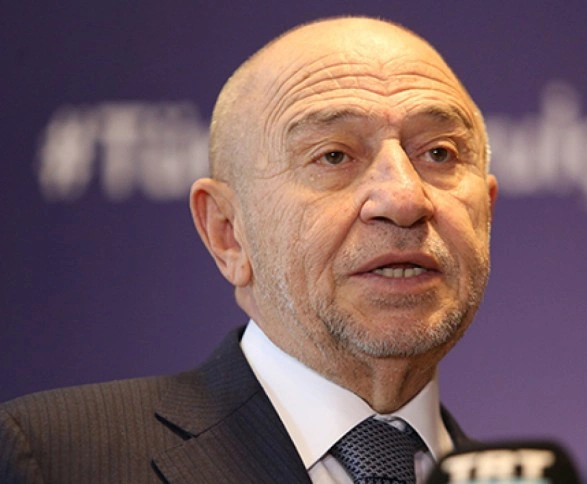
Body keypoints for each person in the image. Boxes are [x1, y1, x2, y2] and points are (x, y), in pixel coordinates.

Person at [0, 16, 497, 483]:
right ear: (227, 232)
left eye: (439, 153)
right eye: (333, 156)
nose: (405, 199)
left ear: (487, 212)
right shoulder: (54, 456)